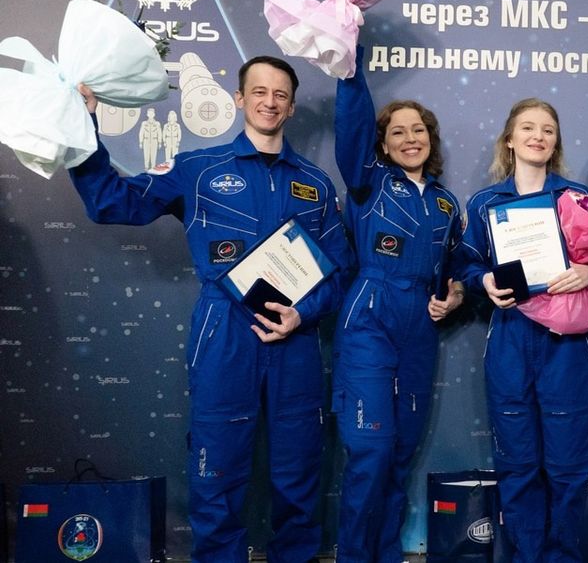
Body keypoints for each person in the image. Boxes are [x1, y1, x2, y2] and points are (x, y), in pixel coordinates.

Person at [68, 56, 353, 562]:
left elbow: (341, 268)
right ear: (240, 99)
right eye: (259, 92)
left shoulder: (317, 183)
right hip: (224, 333)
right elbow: (111, 202)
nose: (269, 101)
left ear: (290, 107)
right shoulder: (198, 170)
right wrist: (83, 124)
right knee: (216, 468)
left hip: (295, 339)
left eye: (281, 94)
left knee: (299, 472)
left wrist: (303, 315)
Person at [331, 46, 465, 562]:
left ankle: (385, 554)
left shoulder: (447, 203)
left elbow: (457, 267)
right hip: (369, 315)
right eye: (398, 132)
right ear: (382, 146)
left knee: (401, 451)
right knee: (370, 449)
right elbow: (351, 127)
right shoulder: (367, 184)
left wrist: (454, 294)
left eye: (419, 131)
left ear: (430, 141)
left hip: (419, 329)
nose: (411, 139)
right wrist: (349, 65)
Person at [458, 98, 588, 562]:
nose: (538, 136)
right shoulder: (484, 203)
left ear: (556, 142)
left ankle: (562, 557)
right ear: (510, 139)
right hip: (511, 339)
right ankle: (524, 555)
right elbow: (464, 263)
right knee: (517, 464)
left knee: (567, 466)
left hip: (566, 346)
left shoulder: (578, 200)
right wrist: (481, 281)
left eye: (548, 130)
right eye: (528, 128)